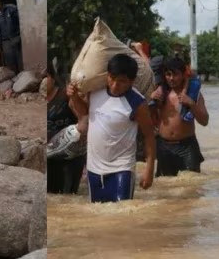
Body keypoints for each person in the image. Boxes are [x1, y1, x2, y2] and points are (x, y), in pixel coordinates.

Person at [67, 54, 156, 203]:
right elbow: (85, 113)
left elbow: (149, 136)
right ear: (107, 75)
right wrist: (74, 97)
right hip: (94, 168)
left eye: (122, 81)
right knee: (97, 213)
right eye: (112, 78)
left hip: (122, 168)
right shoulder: (95, 91)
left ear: (132, 81)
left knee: (122, 213)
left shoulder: (137, 102)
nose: (115, 85)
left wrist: (149, 170)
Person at [149, 57, 208, 177]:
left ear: (183, 75)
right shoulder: (160, 94)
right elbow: (147, 120)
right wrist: (151, 100)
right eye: (168, 74)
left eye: (175, 74)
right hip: (164, 146)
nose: (171, 78)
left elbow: (204, 121)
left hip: (187, 147)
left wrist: (191, 104)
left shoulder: (193, 94)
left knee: (192, 183)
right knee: (165, 184)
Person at [47, 69, 86, 194]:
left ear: (53, 79)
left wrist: (74, 98)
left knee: (67, 195)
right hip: (48, 155)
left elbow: (83, 118)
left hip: (70, 155)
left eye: (46, 77)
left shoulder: (66, 95)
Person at [0, 0, 22, 73]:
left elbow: (20, 19)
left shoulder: (10, 8)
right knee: (10, 60)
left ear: (0, 2)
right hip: (4, 41)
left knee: (19, 57)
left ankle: (22, 74)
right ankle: (14, 75)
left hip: (15, 37)